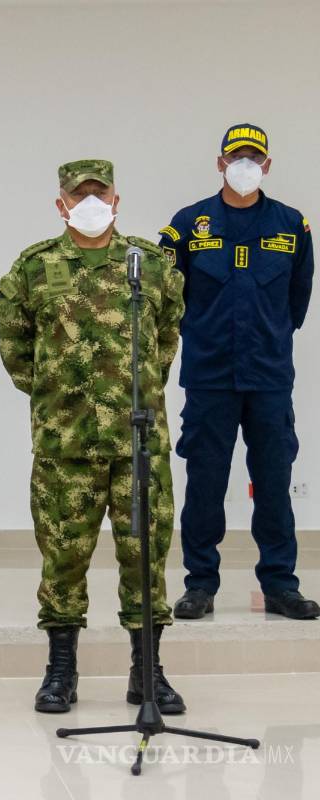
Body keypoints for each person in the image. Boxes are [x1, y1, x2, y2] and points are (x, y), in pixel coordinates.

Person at [0, 159, 187, 714]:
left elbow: (166, 339)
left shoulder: (151, 265)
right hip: (66, 445)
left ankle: (147, 673)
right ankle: (61, 671)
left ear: (117, 201)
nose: (92, 203)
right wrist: (58, 397)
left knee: (145, 555)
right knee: (63, 557)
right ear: (62, 204)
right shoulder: (34, 267)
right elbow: (15, 347)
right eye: (80, 195)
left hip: (138, 443)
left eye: (101, 193)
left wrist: (136, 387)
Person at [160, 124, 317, 621]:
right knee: (205, 483)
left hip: (269, 376)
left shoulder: (292, 225)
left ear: (267, 165)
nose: (244, 166)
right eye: (235, 157)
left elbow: (297, 300)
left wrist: (269, 337)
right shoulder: (189, 225)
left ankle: (281, 585)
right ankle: (200, 584)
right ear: (220, 163)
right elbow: (169, 298)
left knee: (273, 482)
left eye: (254, 158)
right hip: (209, 376)